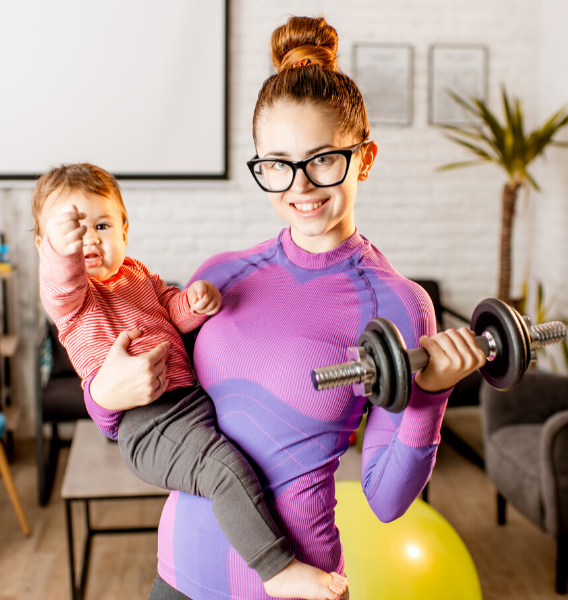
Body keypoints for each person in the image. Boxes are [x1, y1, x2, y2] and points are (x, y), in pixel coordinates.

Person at [84, 16, 487, 600]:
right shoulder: (219, 278)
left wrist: (430, 395)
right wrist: (103, 395)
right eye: (276, 163)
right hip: (178, 574)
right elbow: (143, 425)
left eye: (323, 159)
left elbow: (387, 499)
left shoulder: (397, 305)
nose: (299, 185)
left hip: (293, 586)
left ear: (365, 157)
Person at [32, 163, 348, 600]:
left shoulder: (138, 275)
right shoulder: (74, 298)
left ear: (125, 230)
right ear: (44, 243)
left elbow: (172, 312)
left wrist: (196, 303)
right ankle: (275, 568)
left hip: (187, 403)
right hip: (149, 422)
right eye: (71, 229)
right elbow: (58, 283)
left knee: (242, 461)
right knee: (223, 472)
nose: (88, 238)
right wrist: (59, 251)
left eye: (102, 225)